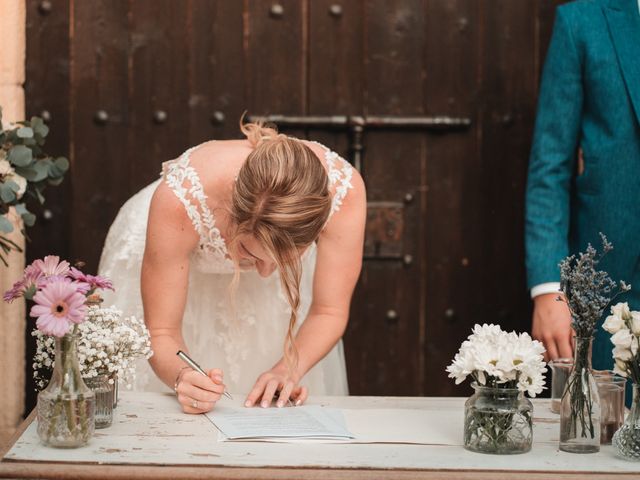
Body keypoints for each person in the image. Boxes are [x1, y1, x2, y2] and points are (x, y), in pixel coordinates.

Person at [98, 120, 366, 413]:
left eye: (286, 261)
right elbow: (161, 330)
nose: (265, 274)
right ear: (231, 219)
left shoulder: (345, 193)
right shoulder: (182, 200)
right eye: (249, 255)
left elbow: (329, 311)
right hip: (168, 245)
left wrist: (286, 370)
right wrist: (182, 376)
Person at [526, 0, 640, 372]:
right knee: (604, 424)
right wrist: (548, 289)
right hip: (609, 286)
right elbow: (550, 166)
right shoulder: (581, 21)